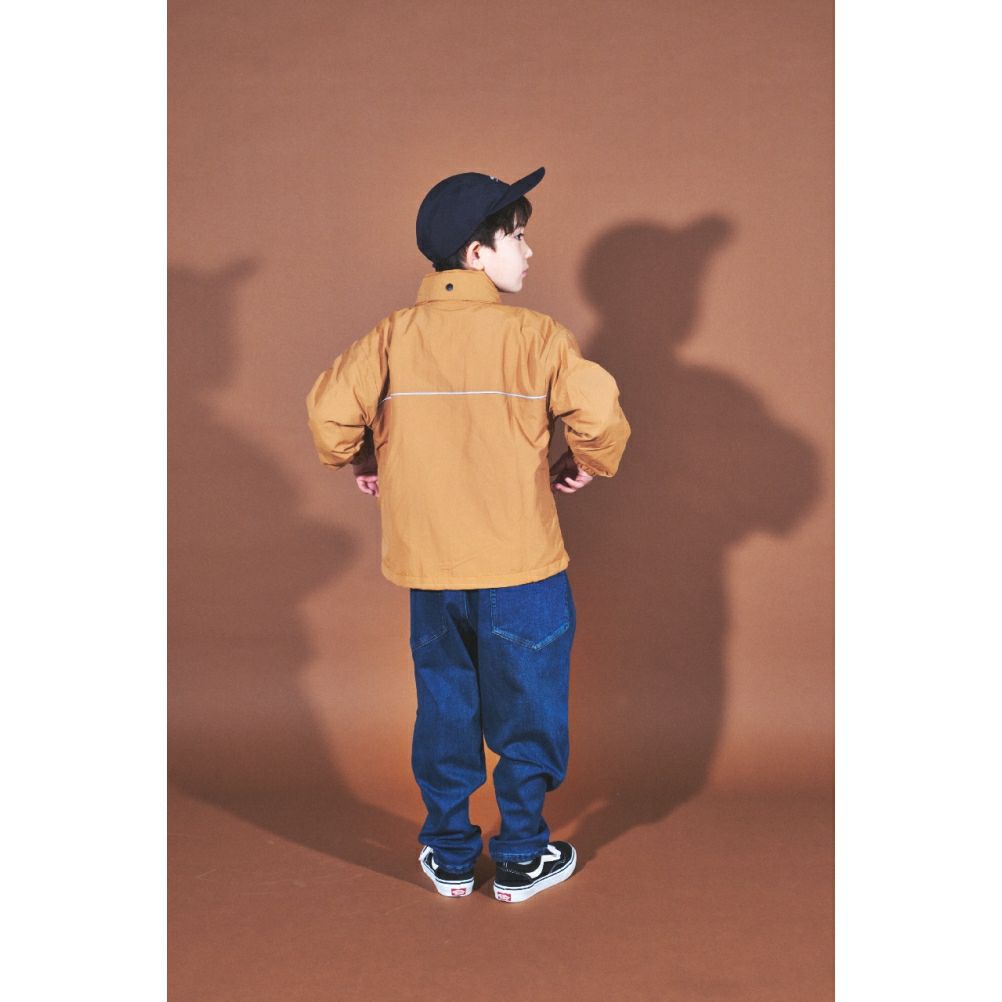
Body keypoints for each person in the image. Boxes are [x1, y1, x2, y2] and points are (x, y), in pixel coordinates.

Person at [305, 167, 631, 902]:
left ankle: (450, 854)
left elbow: (330, 415)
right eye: (517, 237)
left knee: (445, 707)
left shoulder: (392, 336)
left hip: (429, 571)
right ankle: (521, 855)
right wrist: (587, 460)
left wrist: (362, 454)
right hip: (523, 567)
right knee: (529, 707)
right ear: (477, 254)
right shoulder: (537, 336)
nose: (529, 251)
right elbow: (600, 414)